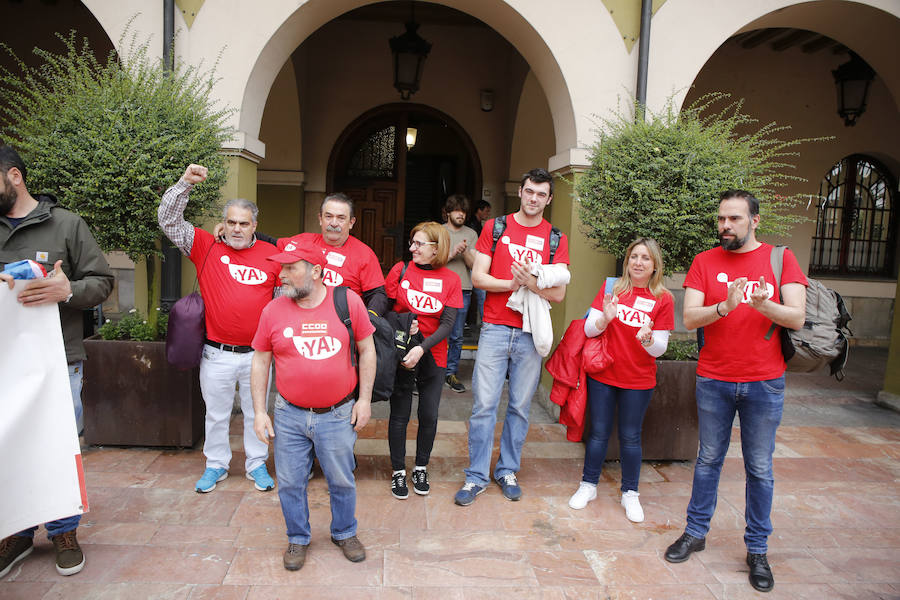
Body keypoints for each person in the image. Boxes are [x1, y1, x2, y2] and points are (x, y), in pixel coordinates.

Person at [664, 190, 807, 593]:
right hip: (714, 378)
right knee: (708, 459)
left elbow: (796, 317)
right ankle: (695, 532)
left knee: (759, 467)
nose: (725, 226)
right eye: (722, 219)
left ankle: (758, 549)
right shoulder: (705, 262)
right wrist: (725, 306)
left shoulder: (781, 259)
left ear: (754, 221)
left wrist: (764, 307)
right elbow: (690, 318)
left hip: (764, 382)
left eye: (735, 219)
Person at [0, 144, 114, 577]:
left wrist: (67, 291)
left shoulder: (65, 224)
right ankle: (17, 531)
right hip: (2, 362)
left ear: (14, 176)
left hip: (57, 361)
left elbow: (101, 281)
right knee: (8, 447)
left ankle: (64, 530)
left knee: (58, 447)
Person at [251, 243, 375, 571]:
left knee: (341, 479)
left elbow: (367, 350)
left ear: (317, 272)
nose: (282, 274)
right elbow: (261, 360)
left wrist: (364, 399)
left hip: (337, 414)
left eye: (291, 267)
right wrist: (260, 411)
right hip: (289, 414)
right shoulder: (273, 310)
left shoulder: (347, 302)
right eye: (282, 267)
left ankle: (345, 532)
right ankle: (298, 537)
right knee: (290, 481)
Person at [159, 164, 281, 494]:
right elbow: (169, 222)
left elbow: (284, 301)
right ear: (223, 224)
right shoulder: (206, 245)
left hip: (258, 355)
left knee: (259, 411)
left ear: (255, 225)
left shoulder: (272, 255)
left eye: (244, 223)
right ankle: (216, 464)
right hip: (216, 352)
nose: (237, 229)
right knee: (216, 415)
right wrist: (184, 184)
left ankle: (257, 464)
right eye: (231, 222)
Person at [455, 168, 569, 506]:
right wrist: (512, 284)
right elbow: (478, 277)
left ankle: (507, 470)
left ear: (549, 199)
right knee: (484, 406)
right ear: (521, 192)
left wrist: (532, 285)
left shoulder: (555, 238)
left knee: (520, 406)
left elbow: (559, 294)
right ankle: (476, 476)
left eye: (541, 194)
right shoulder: (496, 227)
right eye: (529, 191)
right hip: (494, 327)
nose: (534, 199)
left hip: (530, 332)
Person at [567, 238, 674, 523]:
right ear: (627, 261)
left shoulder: (663, 298)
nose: (639, 262)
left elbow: (660, 347)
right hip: (604, 374)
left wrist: (648, 339)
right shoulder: (612, 288)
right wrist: (605, 319)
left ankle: (630, 493)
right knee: (599, 432)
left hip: (638, 378)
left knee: (630, 436)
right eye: (634, 256)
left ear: (654, 265)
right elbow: (589, 330)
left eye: (646, 258)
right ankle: (588, 486)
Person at [385, 222, 462, 499]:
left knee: (428, 414)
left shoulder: (452, 280)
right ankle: (397, 471)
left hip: (434, 353)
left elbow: (448, 324)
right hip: (403, 350)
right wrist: (402, 326)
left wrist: (423, 348)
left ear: (436, 248)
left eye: (419, 244)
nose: (412, 248)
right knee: (400, 414)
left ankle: (420, 466)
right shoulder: (400, 270)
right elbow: (386, 310)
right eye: (412, 242)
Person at [222, 193, 389, 315]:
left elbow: (377, 295)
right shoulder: (302, 241)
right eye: (328, 216)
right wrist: (227, 232)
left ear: (351, 222)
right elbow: (270, 242)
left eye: (341, 218)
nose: (333, 223)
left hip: (342, 327)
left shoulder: (364, 254)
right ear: (320, 219)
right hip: (301, 322)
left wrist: (369, 320)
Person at [442, 195, 477, 393]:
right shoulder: (438, 231)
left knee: (456, 336)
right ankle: (432, 371)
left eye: (463, 211)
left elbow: (474, 265)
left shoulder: (471, 234)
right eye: (456, 210)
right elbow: (432, 261)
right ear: (448, 212)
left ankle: (450, 373)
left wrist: (465, 253)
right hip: (438, 288)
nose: (460, 214)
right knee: (433, 332)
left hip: (462, 289)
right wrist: (453, 251)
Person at [467, 200, 491, 327]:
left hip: (475, 264)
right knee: (481, 295)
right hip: (473, 264)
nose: (488, 214)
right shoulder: (472, 226)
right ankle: (485, 323)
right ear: (479, 210)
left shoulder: (476, 224)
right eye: (486, 211)